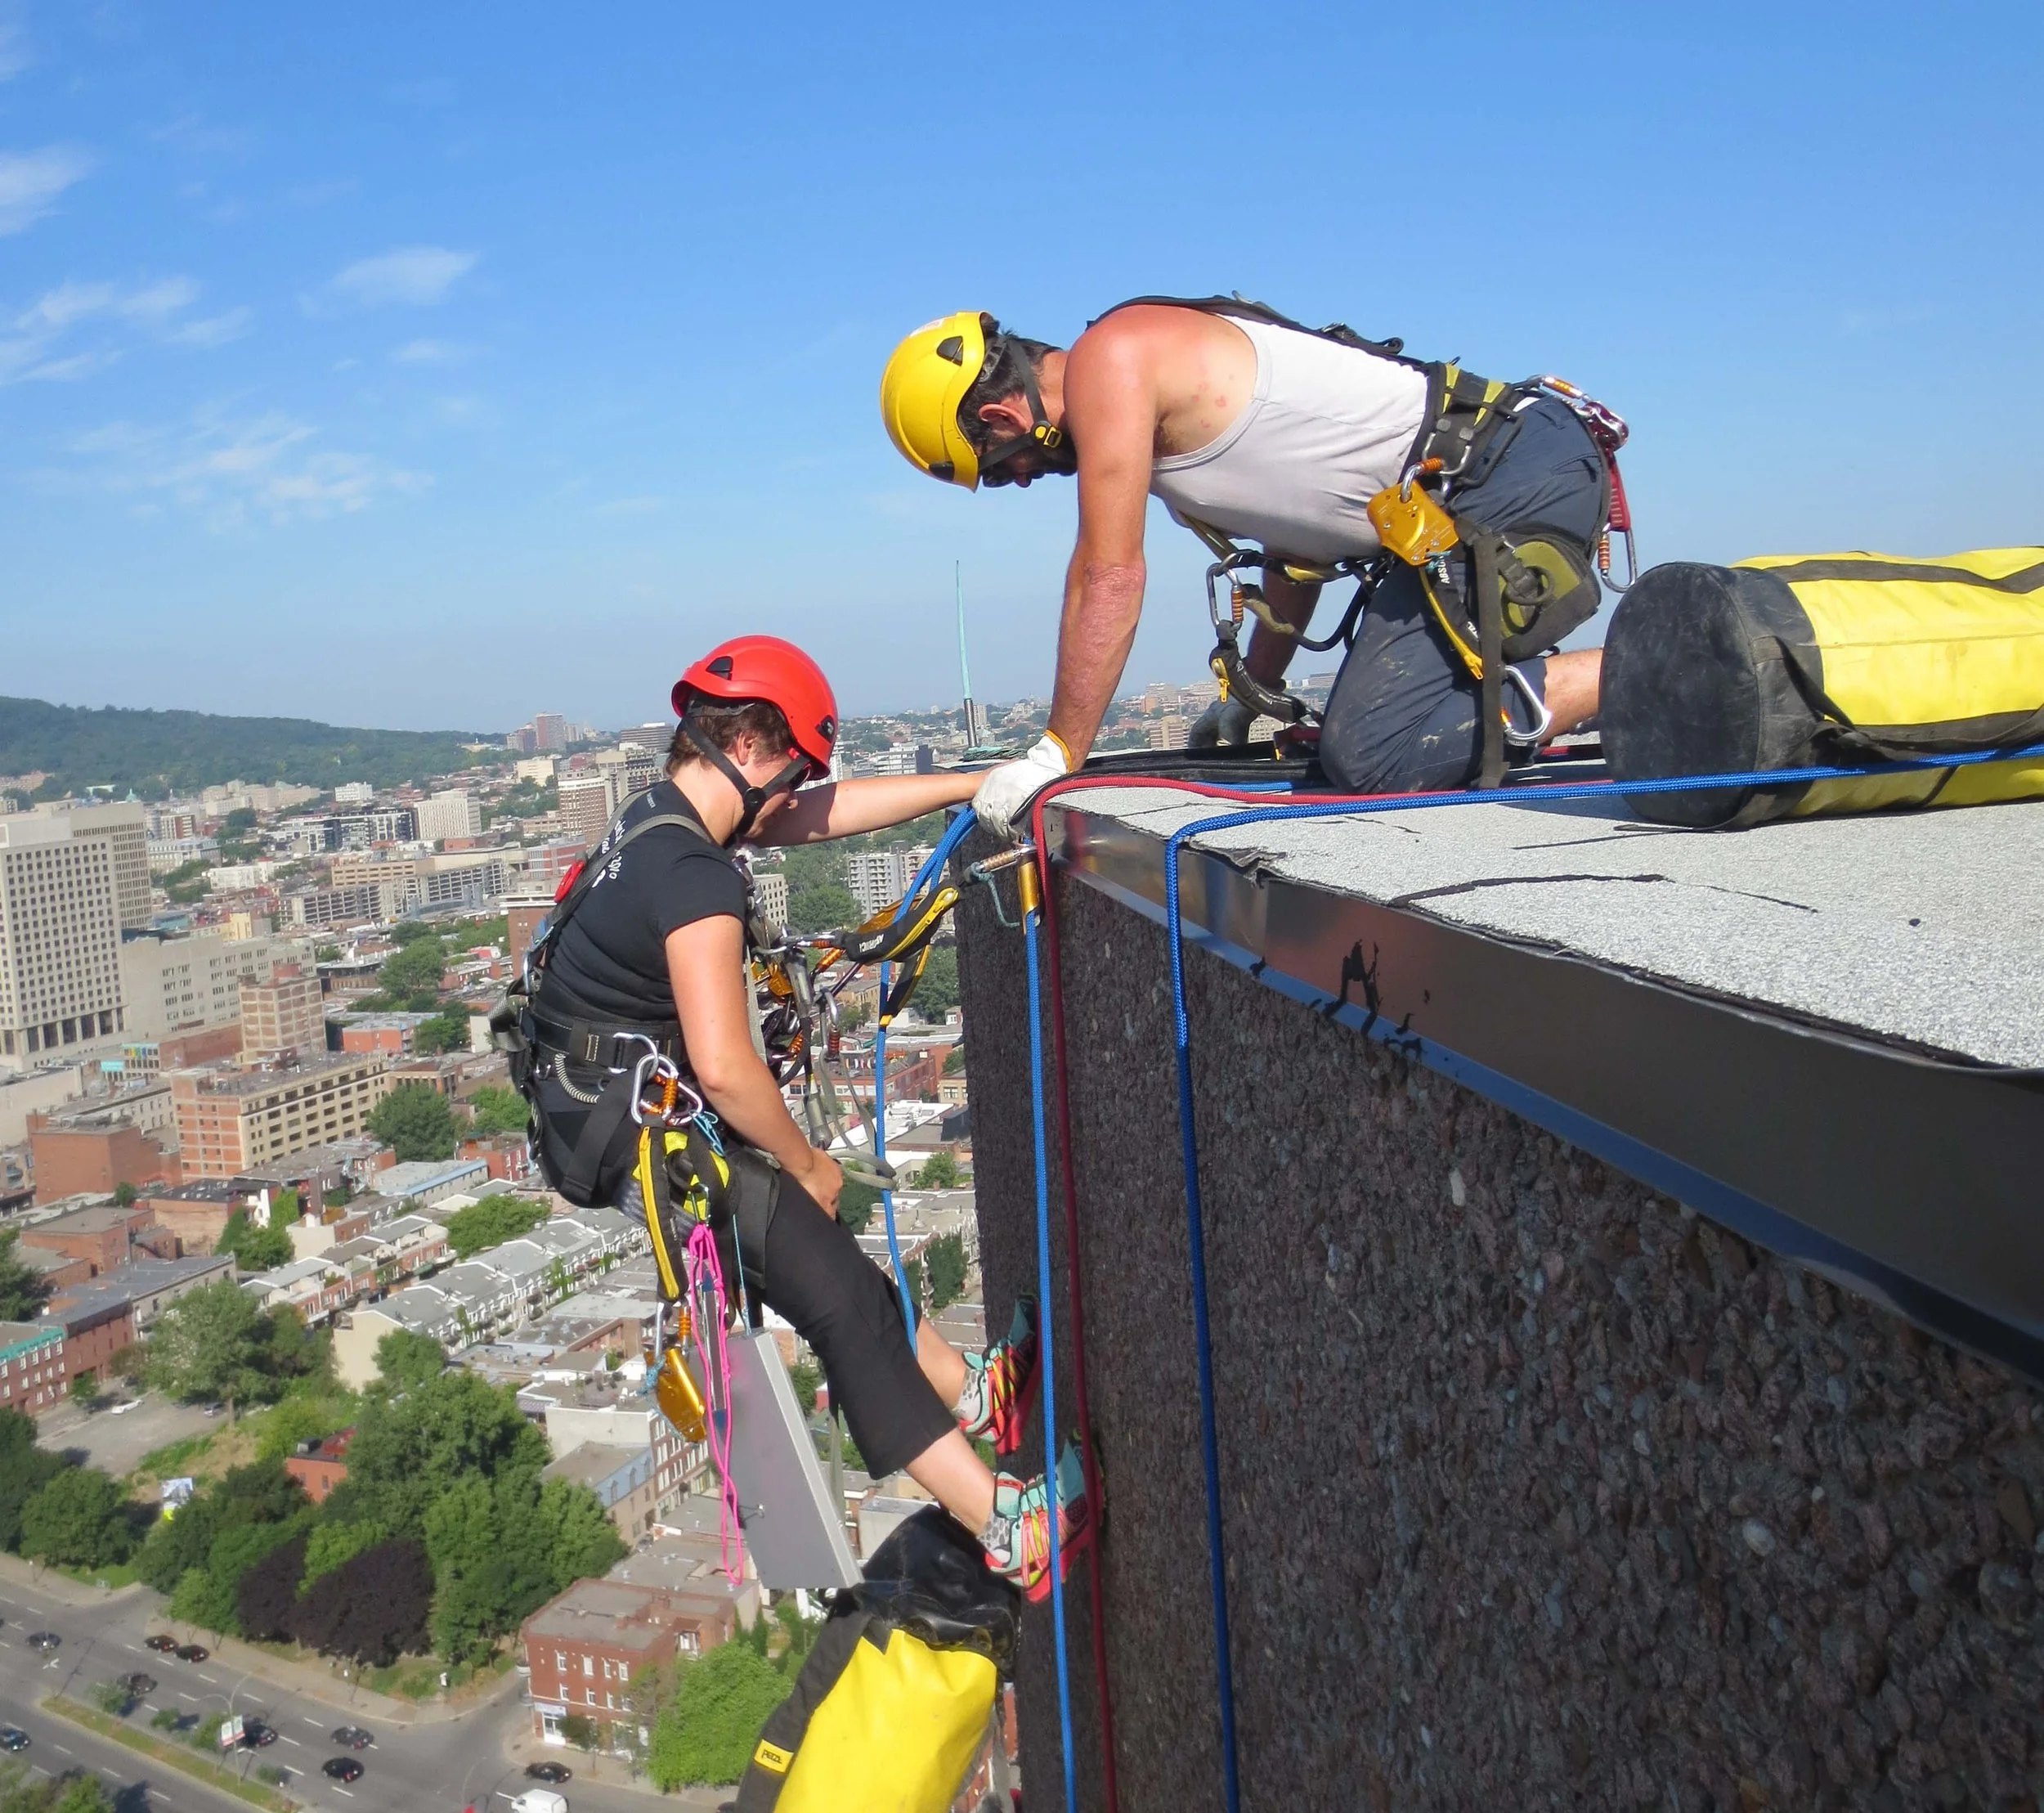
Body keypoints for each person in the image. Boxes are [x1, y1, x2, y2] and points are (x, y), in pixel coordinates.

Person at [525, 635, 1087, 1598]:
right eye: (793, 771)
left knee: (842, 1282)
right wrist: (806, 1161)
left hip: (609, 1116)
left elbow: (815, 819)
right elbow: (726, 1065)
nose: (796, 797)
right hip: (655, 1138)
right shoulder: (692, 877)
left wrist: (969, 786)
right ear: (749, 747)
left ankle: (972, 1395)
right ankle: (1004, 1525)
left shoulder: (659, 822)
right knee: (837, 1308)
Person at [879, 300, 1616, 832]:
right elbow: (1298, 559)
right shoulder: (1159, 423)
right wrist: (1254, 692)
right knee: (1360, 747)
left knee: (1375, 756)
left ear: (1004, 419)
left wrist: (1056, 753)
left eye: (1005, 469)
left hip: (1506, 472)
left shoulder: (1114, 357)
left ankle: (1636, 664)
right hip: (1470, 495)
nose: (1025, 480)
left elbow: (1107, 574)